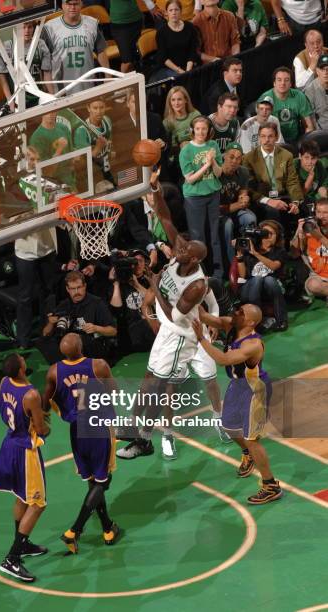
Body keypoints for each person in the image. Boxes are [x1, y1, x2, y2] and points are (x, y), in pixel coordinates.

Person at [116, 171, 227, 461]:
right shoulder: (181, 252)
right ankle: (131, 425)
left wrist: (153, 284)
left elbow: (176, 316)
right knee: (149, 377)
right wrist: (155, 190)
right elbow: (165, 217)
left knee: (161, 384)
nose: (178, 249)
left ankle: (144, 440)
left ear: (194, 259)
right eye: (181, 246)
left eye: (185, 250)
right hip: (167, 330)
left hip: (182, 336)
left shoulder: (198, 286)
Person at [192, 304, 282, 505]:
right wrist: (189, 291)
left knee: (252, 439)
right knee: (229, 426)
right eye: (239, 309)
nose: (236, 312)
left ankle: (270, 485)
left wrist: (201, 339)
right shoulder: (230, 324)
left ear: (250, 322)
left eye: (241, 312)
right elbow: (205, 316)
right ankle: (248, 455)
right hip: (238, 385)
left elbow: (223, 359)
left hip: (255, 390)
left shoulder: (253, 344)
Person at [43, 333, 120, 553]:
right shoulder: (99, 365)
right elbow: (114, 392)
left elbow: (45, 404)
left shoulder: (54, 371)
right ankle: (74, 531)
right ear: (81, 346)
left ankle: (107, 528)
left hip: (76, 430)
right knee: (103, 480)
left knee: (92, 479)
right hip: (98, 427)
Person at [0, 354, 50, 583]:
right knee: (37, 504)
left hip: (9, 444)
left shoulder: (3, 383)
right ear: (20, 369)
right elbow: (41, 428)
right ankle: (12, 559)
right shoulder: (31, 395)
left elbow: (2, 407)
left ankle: (22, 543)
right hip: (26, 452)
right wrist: (46, 423)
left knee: (21, 498)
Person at [37, 271, 117, 365]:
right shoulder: (64, 305)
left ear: (85, 286)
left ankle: (75, 364)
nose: (76, 292)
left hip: (92, 342)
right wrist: (51, 323)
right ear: (67, 289)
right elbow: (45, 333)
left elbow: (113, 331)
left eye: (79, 287)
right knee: (43, 342)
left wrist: (96, 328)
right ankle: (65, 365)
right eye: (72, 288)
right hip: (71, 344)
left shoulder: (97, 303)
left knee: (76, 340)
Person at [180, 115, 224, 279]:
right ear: (192, 130)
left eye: (204, 129)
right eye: (197, 129)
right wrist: (206, 164)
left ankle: (218, 273)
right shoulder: (186, 151)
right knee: (198, 238)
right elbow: (190, 179)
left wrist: (212, 162)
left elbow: (219, 173)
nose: (200, 132)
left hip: (213, 194)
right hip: (194, 198)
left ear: (209, 131)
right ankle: (200, 274)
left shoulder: (213, 145)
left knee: (214, 235)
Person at [243, 122, 302, 225]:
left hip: (282, 195)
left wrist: (295, 202)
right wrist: (269, 201)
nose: (266, 140)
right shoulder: (249, 158)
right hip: (261, 198)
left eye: (270, 136)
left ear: (276, 137)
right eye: (263, 136)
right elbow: (249, 188)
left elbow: (292, 181)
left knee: (303, 207)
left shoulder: (286, 155)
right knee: (272, 211)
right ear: (259, 137)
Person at [43, 0, 109, 92]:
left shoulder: (91, 24)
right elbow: (44, 63)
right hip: (60, 89)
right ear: (61, 5)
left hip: (87, 83)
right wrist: (49, 92)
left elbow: (101, 51)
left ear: (82, 4)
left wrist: (108, 77)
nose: (72, 7)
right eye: (68, 4)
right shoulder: (50, 28)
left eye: (75, 4)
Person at [236, 219, 289, 331]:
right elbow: (243, 275)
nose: (268, 236)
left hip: (270, 289)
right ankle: (257, 321)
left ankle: (281, 320)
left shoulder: (279, 252)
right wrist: (240, 257)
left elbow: (274, 266)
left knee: (269, 280)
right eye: (265, 232)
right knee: (257, 279)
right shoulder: (249, 248)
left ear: (277, 236)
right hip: (250, 289)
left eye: (272, 233)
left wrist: (255, 254)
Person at [0, 20, 53, 111]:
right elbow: (2, 77)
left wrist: (51, 96)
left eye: (30, 27)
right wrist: (10, 100)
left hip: (37, 95)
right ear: (17, 28)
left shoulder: (40, 44)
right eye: (23, 27)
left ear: (34, 28)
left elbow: (47, 74)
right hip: (17, 98)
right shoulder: (8, 46)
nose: (27, 31)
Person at [109, 249, 156, 354]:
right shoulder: (120, 283)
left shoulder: (150, 280)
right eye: (135, 261)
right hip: (129, 337)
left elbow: (155, 301)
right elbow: (116, 310)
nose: (138, 264)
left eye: (141, 261)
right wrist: (116, 284)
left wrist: (137, 285)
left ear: (145, 264)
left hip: (152, 332)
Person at [219, 142, 257, 263]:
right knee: (227, 224)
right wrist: (239, 204)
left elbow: (243, 193)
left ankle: (247, 258)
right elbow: (216, 208)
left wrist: (244, 198)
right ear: (224, 156)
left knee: (250, 218)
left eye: (238, 158)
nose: (234, 161)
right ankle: (231, 263)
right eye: (231, 157)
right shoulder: (215, 173)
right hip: (218, 213)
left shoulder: (243, 172)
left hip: (235, 210)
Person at [259, 66, 315, 144]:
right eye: (279, 80)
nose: (283, 83)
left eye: (286, 80)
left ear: (291, 83)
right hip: (274, 141)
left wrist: (307, 143)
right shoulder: (265, 99)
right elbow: (262, 128)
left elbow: (309, 125)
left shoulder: (299, 95)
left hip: (296, 139)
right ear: (274, 83)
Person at [290, 199, 328, 305]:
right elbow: (294, 253)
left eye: (325, 212)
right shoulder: (309, 227)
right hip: (318, 276)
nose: (321, 216)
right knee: (313, 285)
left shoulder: (315, 232)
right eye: (318, 212)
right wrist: (299, 231)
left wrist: (319, 237)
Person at [152, 0, 201, 81]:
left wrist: (188, 71)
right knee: (183, 80)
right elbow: (163, 57)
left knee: (198, 77)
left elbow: (192, 51)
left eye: (176, 10)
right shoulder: (161, 32)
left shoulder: (190, 27)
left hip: (188, 65)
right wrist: (180, 71)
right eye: (170, 10)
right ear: (166, 13)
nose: (174, 13)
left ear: (181, 11)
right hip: (169, 68)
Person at [73, 97, 115, 191]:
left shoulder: (107, 120)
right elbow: (84, 164)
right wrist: (98, 148)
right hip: (91, 175)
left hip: (107, 169)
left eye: (101, 107)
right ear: (88, 108)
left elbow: (111, 144)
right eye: (95, 108)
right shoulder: (82, 131)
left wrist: (111, 150)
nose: (98, 111)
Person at [109, 0, 163, 73]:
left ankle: (138, 80)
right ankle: (125, 83)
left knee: (135, 57)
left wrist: (151, 7)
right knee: (127, 60)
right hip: (119, 23)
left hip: (136, 20)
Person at [29, 110, 76, 192]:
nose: (51, 114)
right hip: (54, 184)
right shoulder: (37, 137)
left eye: (53, 111)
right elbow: (47, 173)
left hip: (71, 178)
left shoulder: (63, 128)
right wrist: (59, 150)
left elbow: (72, 157)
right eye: (47, 111)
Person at [294, 140, 328, 206]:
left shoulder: (318, 164)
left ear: (317, 158)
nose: (310, 162)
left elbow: (325, 179)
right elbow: (301, 194)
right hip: (300, 199)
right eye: (306, 157)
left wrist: (323, 187)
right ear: (300, 156)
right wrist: (311, 176)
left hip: (315, 196)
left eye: (313, 158)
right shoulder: (293, 167)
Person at [305, 54, 328, 131]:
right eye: (322, 69)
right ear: (317, 71)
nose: (326, 72)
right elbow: (311, 118)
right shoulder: (310, 90)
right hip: (321, 132)